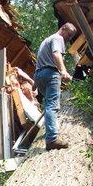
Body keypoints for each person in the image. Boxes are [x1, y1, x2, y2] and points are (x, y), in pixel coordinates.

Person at [34, 22, 77, 151]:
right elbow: (56, 54)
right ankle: (52, 139)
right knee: (52, 105)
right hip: (50, 74)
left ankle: (49, 130)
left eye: (70, 38)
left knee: (48, 105)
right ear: (63, 28)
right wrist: (63, 71)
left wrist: (35, 84)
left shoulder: (46, 40)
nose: (68, 39)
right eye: (68, 35)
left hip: (39, 75)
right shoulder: (58, 38)